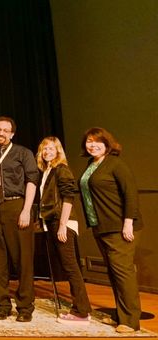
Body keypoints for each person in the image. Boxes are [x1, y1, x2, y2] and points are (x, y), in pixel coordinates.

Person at [79, 127, 143, 333]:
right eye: (89, 141)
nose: (92, 145)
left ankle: (131, 321)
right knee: (114, 273)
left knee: (123, 272)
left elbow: (131, 193)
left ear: (107, 144)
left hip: (120, 226)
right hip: (101, 226)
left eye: (97, 141)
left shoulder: (115, 163)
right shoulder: (92, 164)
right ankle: (120, 314)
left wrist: (128, 222)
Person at [0, 116, 38, 322]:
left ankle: (25, 306)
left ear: (12, 134)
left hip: (17, 206)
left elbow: (32, 181)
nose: (1, 133)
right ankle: (2, 305)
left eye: (5, 130)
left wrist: (26, 210)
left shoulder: (23, 153)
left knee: (22, 260)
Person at [36, 136, 92, 325]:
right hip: (53, 223)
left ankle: (81, 312)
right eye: (44, 149)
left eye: (51, 149)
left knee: (71, 268)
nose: (47, 152)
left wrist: (62, 225)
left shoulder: (62, 169)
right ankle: (81, 309)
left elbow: (69, 197)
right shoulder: (48, 170)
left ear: (58, 151)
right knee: (68, 267)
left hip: (63, 224)